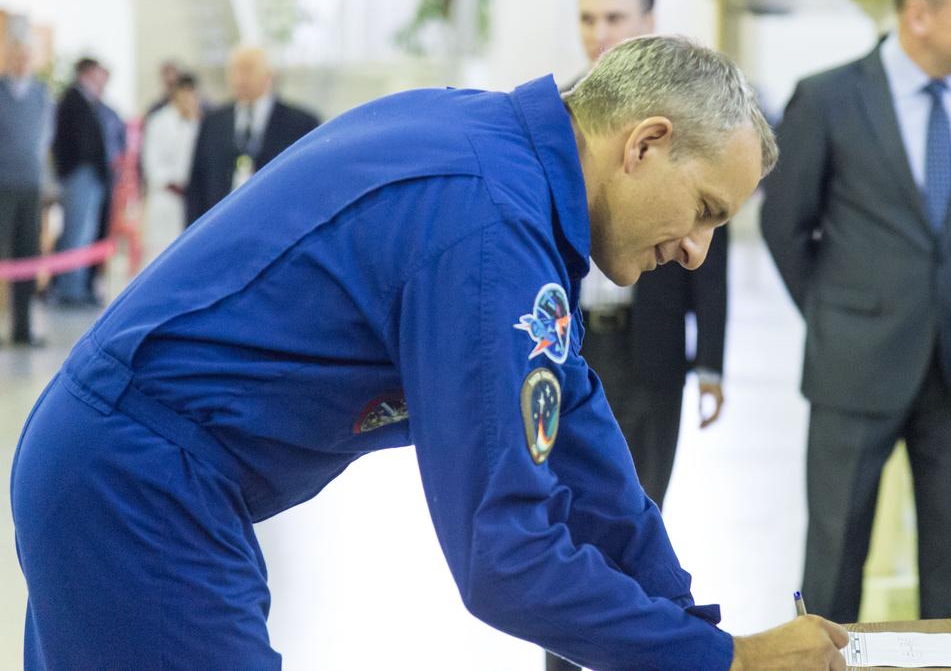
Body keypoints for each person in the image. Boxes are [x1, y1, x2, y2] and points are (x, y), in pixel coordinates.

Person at [12, 35, 849, 670]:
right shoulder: (487, 224)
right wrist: (728, 659)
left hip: (125, 464)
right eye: (703, 208)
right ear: (644, 143)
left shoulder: (499, 159)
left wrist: (688, 626)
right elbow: (504, 559)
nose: (699, 250)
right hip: (136, 485)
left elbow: (579, 428)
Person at [761, 0, 951, 624]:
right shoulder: (827, 97)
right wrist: (832, 312)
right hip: (853, 363)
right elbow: (784, 225)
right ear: (918, 15)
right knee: (834, 550)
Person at [547, 0, 732, 671]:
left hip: (649, 352)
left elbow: (707, 254)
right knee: (559, 522)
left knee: (637, 512)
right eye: (588, 19)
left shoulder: (688, 132)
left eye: (614, 19)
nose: (599, 34)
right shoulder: (554, 117)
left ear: (647, 24)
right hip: (569, 347)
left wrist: (709, 358)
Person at [184, 45, 320, 225]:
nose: (240, 78)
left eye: (248, 69)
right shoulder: (213, 122)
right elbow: (197, 185)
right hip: (221, 228)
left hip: (278, 227)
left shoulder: (301, 124)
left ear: (268, 75)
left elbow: (311, 186)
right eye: (234, 70)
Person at [0, 40, 54, 346]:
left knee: (27, 257)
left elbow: (46, 137)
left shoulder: (41, 95)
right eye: (16, 56)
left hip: (31, 185)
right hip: (2, 185)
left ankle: (23, 328)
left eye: (25, 57)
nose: (21, 62)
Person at [49, 57, 114, 306]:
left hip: (90, 176)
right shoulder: (73, 100)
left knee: (85, 233)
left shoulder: (90, 102)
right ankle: (69, 289)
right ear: (87, 72)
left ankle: (79, 285)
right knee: (76, 233)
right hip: (80, 175)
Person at [141, 72, 202, 257]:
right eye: (184, 93)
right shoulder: (158, 121)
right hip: (165, 196)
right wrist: (172, 182)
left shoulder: (198, 123)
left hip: (190, 199)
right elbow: (151, 163)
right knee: (159, 253)